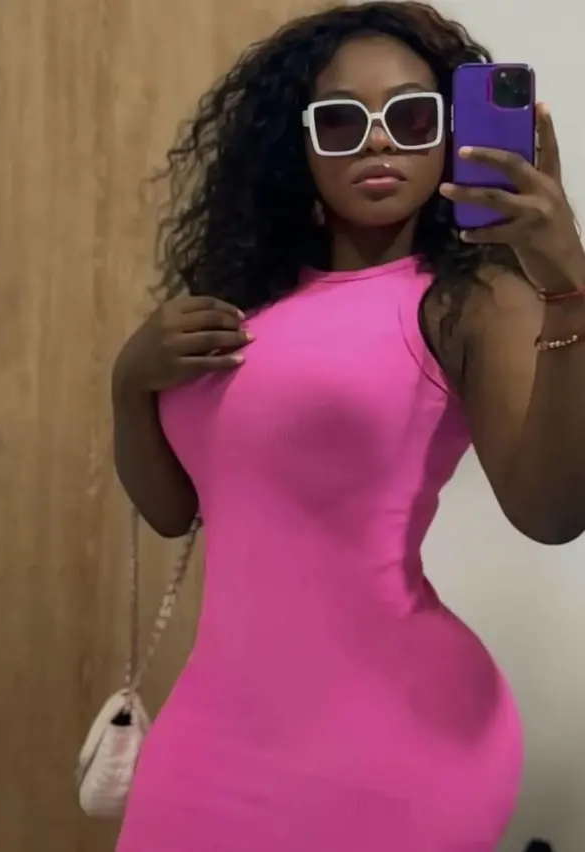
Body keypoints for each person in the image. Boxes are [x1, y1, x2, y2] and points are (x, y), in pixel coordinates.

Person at [112, 2, 585, 850]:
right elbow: (176, 511)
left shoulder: (469, 302)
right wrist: (128, 383)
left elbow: (552, 514)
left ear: (450, 132)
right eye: (340, 121)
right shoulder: (248, 303)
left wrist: (568, 286)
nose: (377, 142)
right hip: (212, 731)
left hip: (398, 743)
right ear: (295, 145)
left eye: (411, 117)